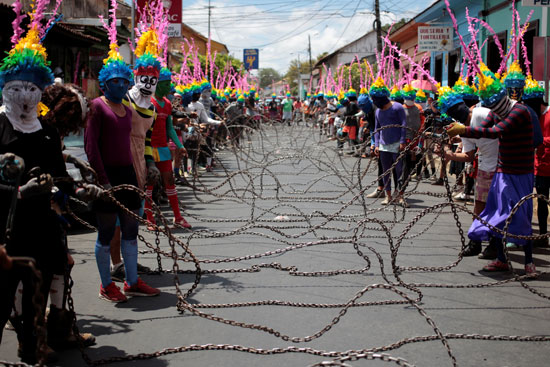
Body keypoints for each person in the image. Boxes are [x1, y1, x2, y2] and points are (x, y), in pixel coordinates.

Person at [0, 14, 100, 363]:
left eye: (32, 87)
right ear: (4, 85)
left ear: (41, 88)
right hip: (6, 228)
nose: (24, 94)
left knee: (35, 292)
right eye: (16, 86)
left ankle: (31, 347)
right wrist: (16, 189)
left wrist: (71, 192)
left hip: (42, 225)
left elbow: (58, 176)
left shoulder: (45, 129)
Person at [85, 38, 160, 303]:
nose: (119, 84)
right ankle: (106, 285)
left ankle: (131, 281)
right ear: (105, 83)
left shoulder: (128, 109)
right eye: (114, 81)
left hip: (128, 176)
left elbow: (139, 140)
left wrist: (147, 165)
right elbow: (91, 148)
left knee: (131, 231)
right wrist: (102, 180)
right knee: (106, 233)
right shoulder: (96, 106)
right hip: (106, 179)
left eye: (123, 80)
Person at [447, 64, 536, 276]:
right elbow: (486, 129)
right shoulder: (496, 113)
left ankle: (529, 262)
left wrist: (466, 129)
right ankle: (501, 259)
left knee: (520, 216)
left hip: (521, 173)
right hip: (502, 171)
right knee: (496, 214)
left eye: (495, 106)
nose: (494, 111)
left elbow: (496, 131)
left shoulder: (520, 111)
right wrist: (461, 136)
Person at [144, 67, 191, 229]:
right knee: (149, 185)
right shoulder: (149, 102)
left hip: (163, 148)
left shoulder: (167, 104)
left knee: (169, 182)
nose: (169, 87)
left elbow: (169, 128)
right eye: (166, 84)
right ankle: (149, 218)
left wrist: (180, 146)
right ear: (157, 84)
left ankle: (178, 217)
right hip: (149, 149)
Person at [370, 78, 407, 206]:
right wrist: (376, 143)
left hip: (397, 144)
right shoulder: (378, 111)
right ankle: (388, 196)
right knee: (386, 171)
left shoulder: (397, 107)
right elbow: (377, 128)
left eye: (375, 99)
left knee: (399, 171)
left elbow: (403, 124)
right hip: (383, 146)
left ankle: (400, 196)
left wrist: (402, 141)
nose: (374, 102)